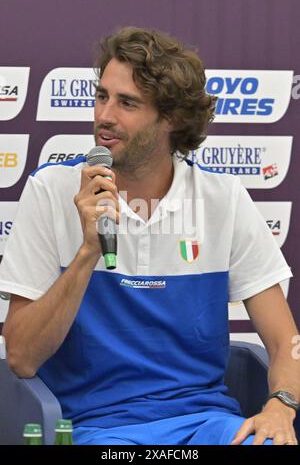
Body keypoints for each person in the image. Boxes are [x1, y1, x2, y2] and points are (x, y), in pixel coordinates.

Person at [0, 26, 299, 446]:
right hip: (95, 430)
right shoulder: (50, 190)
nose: (104, 115)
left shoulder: (223, 198)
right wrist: (89, 251)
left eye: (127, 103)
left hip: (208, 424)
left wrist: (280, 406)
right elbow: (21, 358)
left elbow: (286, 342)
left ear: (172, 118)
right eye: (102, 96)